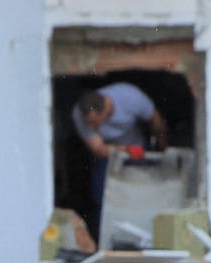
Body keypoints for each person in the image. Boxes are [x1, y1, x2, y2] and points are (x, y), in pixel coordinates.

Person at [72, 84, 167, 214]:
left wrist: (163, 151)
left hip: (137, 147)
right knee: (102, 197)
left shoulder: (131, 98)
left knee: (147, 190)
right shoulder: (79, 113)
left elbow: (157, 123)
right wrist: (126, 150)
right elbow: (98, 149)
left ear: (106, 106)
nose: (90, 126)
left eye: (94, 122)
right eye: (88, 122)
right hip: (109, 154)